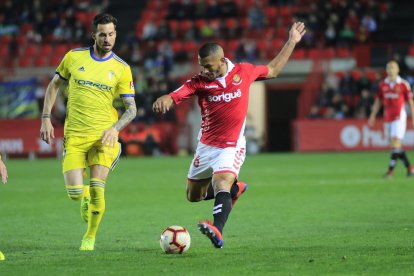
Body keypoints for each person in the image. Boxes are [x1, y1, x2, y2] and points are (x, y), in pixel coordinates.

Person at [153, 22, 305, 248]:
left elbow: (273, 70)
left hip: (231, 146)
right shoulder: (199, 82)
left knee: (221, 181)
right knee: (193, 196)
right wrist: (166, 99)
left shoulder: (243, 72)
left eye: (209, 66)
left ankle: (218, 229)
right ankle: (235, 189)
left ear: (222, 61)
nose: (206, 71)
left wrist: (291, 41)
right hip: (206, 146)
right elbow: (178, 93)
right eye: (202, 66)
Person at [40, 13, 137, 251]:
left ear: (116, 34)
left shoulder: (122, 69)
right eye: (102, 34)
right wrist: (45, 118)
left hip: (104, 137)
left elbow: (131, 109)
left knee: (97, 187)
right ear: (93, 35)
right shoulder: (74, 57)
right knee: (74, 192)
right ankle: (82, 195)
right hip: (75, 134)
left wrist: (115, 130)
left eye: (111, 34)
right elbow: (54, 86)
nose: (107, 39)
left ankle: (90, 237)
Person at [368, 60, 414, 178]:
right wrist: (373, 115)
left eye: (393, 68)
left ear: (397, 70)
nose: (390, 70)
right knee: (395, 146)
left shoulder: (403, 84)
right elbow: (378, 101)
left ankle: (390, 171)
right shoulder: (383, 85)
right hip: (387, 118)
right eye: (388, 68)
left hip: (399, 118)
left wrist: (413, 118)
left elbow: (410, 102)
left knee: (395, 143)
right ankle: (410, 168)